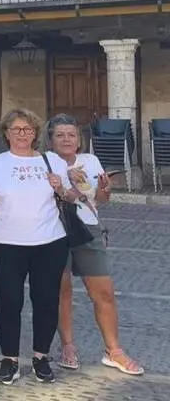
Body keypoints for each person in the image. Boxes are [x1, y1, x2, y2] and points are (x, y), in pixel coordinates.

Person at [0, 108, 78, 384]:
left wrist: (60, 188)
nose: (22, 134)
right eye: (16, 129)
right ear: (6, 134)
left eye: (28, 129)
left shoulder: (53, 161)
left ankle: (41, 357)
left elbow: (71, 197)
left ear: (35, 133)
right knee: (9, 302)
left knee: (46, 301)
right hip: (6, 244)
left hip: (49, 243)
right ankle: (9, 359)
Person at [48, 114, 143, 375]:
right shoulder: (45, 161)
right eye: (60, 135)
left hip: (88, 228)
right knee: (62, 293)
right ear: (51, 139)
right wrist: (63, 192)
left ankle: (114, 350)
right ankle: (67, 346)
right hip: (55, 230)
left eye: (71, 134)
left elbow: (101, 199)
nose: (67, 139)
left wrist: (105, 188)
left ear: (79, 139)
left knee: (104, 292)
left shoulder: (90, 160)